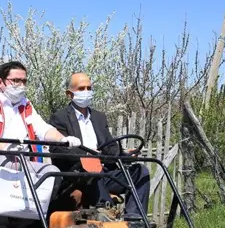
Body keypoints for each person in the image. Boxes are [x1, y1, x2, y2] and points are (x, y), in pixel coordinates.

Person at [0, 61, 81, 206]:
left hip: (22, 159)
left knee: (51, 172)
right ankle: (3, 216)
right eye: (16, 81)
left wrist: (63, 139)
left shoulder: (25, 103)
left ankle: (32, 216)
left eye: (24, 81)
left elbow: (42, 128)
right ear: (0, 82)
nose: (21, 85)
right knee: (13, 166)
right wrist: (7, 148)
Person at [49, 72, 151, 217]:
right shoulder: (60, 118)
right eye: (81, 89)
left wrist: (125, 154)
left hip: (104, 172)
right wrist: (86, 155)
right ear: (69, 94)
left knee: (141, 172)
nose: (86, 92)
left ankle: (134, 219)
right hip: (77, 175)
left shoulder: (99, 117)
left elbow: (109, 146)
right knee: (92, 166)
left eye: (89, 88)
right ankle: (104, 210)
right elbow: (57, 149)